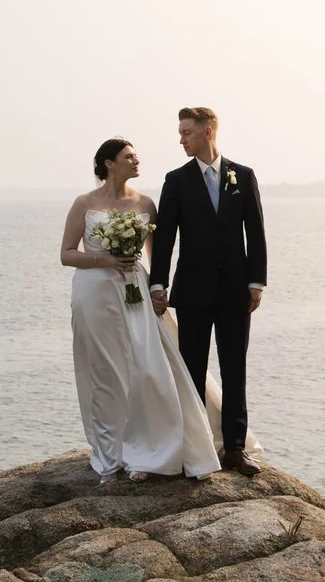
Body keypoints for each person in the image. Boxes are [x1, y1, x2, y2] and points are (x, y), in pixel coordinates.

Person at [59, 137, 219, 481]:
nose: (136, 161)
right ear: (108, 164)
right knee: (105, 372)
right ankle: (109, 456)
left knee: (147, 367)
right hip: (94, 292)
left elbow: (154, 254)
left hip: (134, 288)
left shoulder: (145, 203)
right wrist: (106, 259)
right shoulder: (84, 203)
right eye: (129, 156)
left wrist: (158, 289)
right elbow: (67, 254)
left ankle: (149, 449)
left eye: (136, 156)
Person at [149, 106, 267, 476]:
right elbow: (165, 238)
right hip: (192, 292)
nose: (181, 139)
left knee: (235, 370)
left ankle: (235, 448)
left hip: (236, 292)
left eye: (187, 132)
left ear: (208, 131)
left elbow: (256, 233)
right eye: (181, 133)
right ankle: (197, 447)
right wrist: (158, 283)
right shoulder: (176, 180)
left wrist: (256, 282)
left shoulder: (242, 176)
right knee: (192, 371)